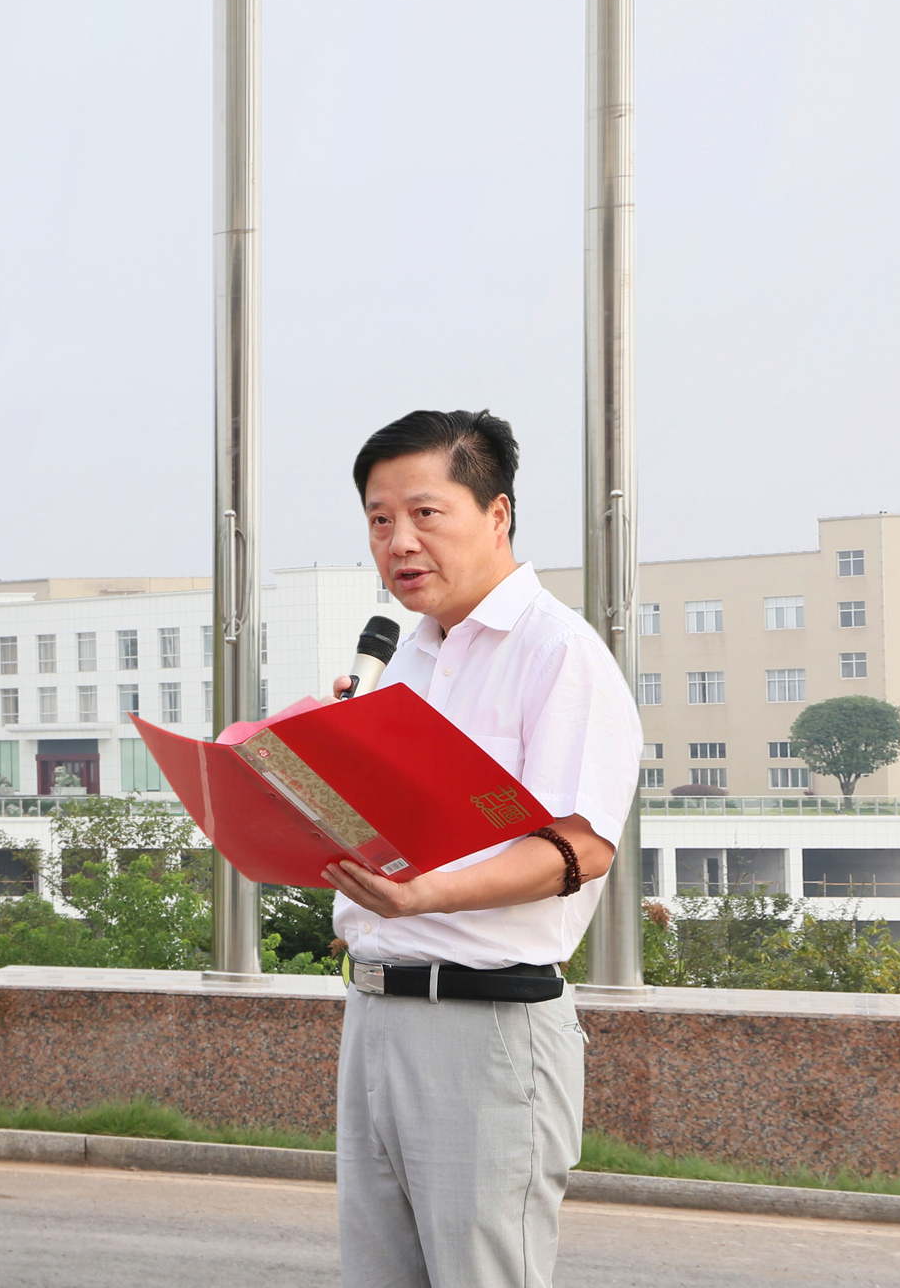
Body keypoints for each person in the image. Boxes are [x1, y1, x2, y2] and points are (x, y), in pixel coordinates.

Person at [321, 409, 642, 1288]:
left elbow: (581, 847)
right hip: (374, 1014)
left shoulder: (559, 652)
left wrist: (424, 895)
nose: (399, 541)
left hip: (487, 1026)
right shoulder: (406, 661)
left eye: (425, 513)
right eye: (379, 519)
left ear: (497, 513)